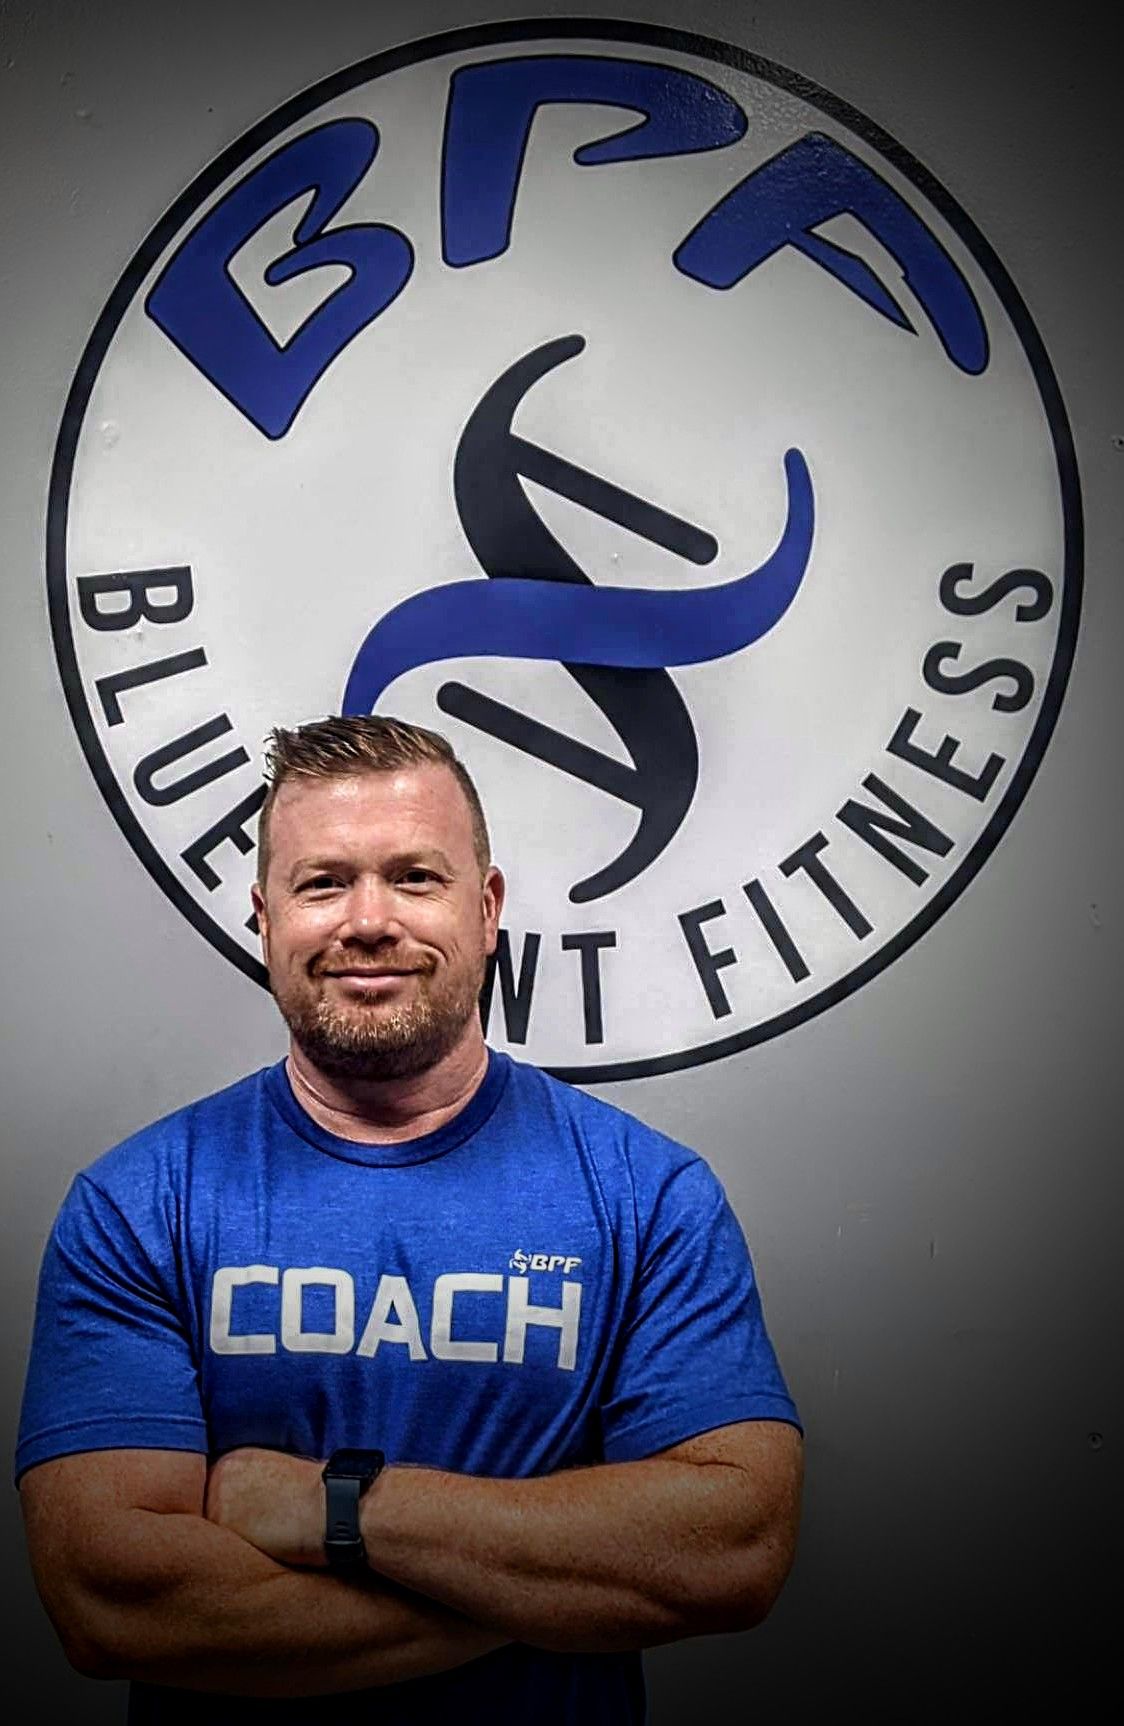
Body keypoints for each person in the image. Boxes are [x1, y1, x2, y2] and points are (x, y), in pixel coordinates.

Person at [17, 714, 803, 1724]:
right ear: (264, 916)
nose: (368, 919)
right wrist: (551, 1590)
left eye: (415, 878)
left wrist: (329, 1508)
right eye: (322, 882)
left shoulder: (645, 1196)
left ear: (487, 909)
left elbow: (730, 1549)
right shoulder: (140, 1206)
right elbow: (115, 1601)